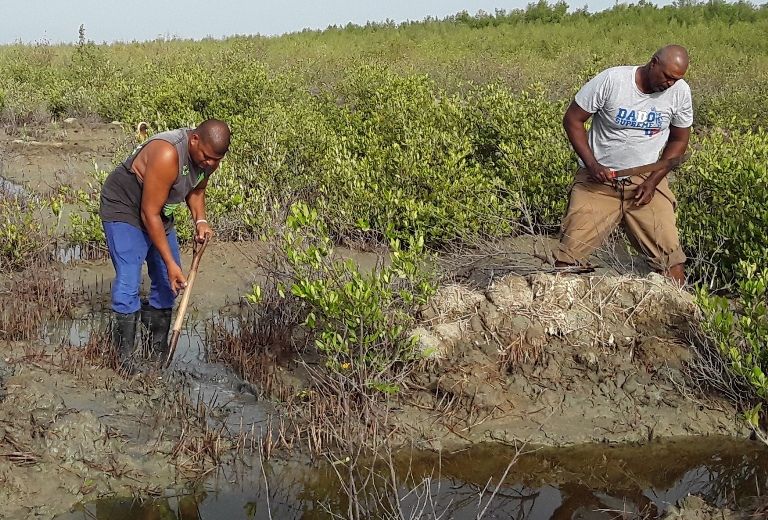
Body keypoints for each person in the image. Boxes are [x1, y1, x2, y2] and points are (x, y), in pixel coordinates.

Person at [99, 119, 231, 373]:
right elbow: (149, 214)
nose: (211, 164)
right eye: (207, 157)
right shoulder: (168, 153)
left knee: (169, 285)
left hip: (158, 211)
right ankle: (123, 361)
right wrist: (170, 262)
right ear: (194, 140)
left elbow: (196, 189)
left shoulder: (209, 159)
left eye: (217, 160)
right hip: (125, 206)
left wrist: (200, 221)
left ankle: (155, 351)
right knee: (129, 280)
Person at [555, 45, 693, 285]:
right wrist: (592, 164)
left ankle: (681, 316)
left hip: (645, 180)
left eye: (677, 79)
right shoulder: (612, 80)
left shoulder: (680, 92)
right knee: (567, 261)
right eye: (668, 77)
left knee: (671, 260)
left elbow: (680, 140)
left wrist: (652, 181)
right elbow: (572, 119)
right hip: (598, 180)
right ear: (653, 63)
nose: (671, 84)